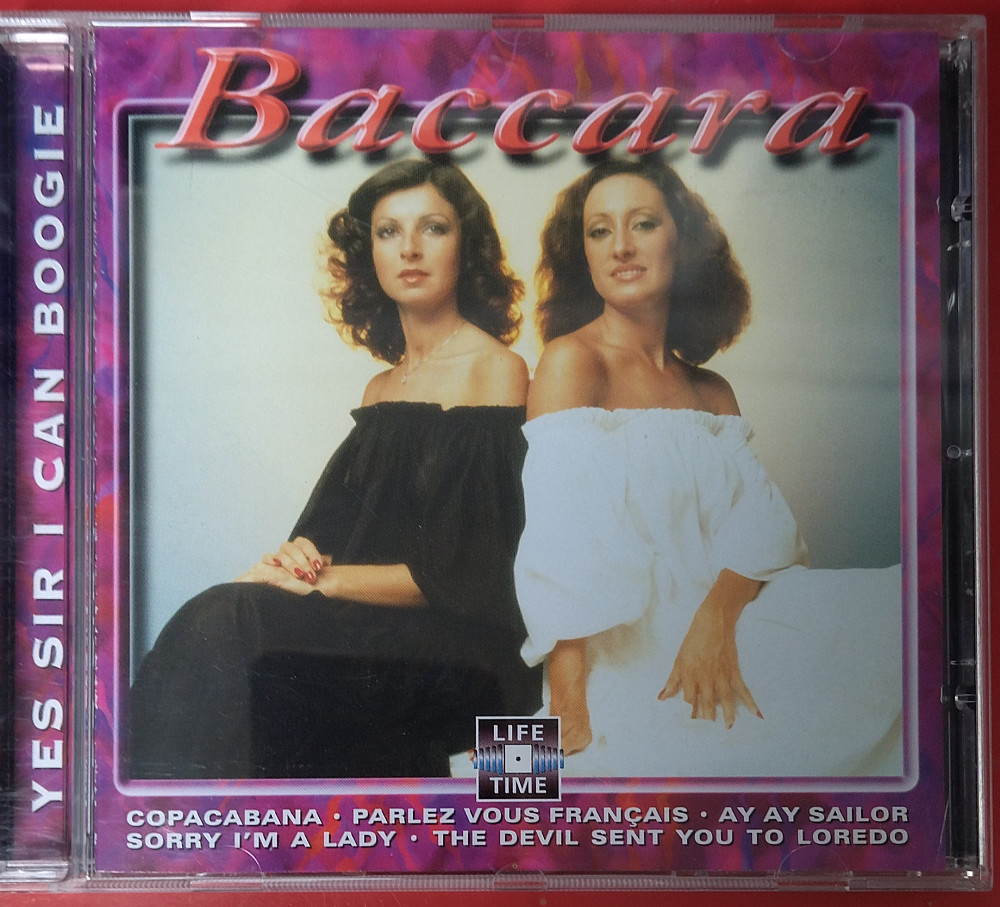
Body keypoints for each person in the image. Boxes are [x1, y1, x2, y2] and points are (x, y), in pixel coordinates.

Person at [129, 159, 540, 779]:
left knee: (229, 619)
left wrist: (323, 582)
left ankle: (153, 810)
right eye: (388, 232)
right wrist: (299, 558)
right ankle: (171, 815)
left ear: (467, 246)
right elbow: (346, 533)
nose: (409, 248)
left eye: (433, 228)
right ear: (369, 254)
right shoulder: (381, 389)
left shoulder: (496, 369)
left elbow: (468, 573)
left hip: (457, 646)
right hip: (369, 630)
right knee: (231, 629)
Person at [514, 158, 902, 777]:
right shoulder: (571, 361)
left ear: (683, 242)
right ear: (583, 255)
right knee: (500, 789)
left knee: (905, 613)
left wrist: (715, 621)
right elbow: (560, 546)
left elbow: (767, 534)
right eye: (599, 231)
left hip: (731, 630)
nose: (621, 246)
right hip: (630, 658)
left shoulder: (712, 392)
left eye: (643, 224)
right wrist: (566, 709)